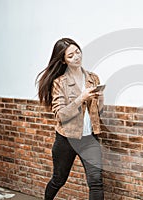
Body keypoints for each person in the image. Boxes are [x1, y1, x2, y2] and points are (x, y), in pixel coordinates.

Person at [36, 38, 104, 200]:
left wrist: (98, 98)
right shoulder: (60, 82)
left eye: (78, 52)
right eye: (71, 55)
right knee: (59, 179)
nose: (76, 57)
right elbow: (60, 115)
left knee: (96, 182)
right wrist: (81, 98)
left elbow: (98, 110)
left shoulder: (93, 78)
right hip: (66, 139)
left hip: (89, 138)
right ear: (63, 60)